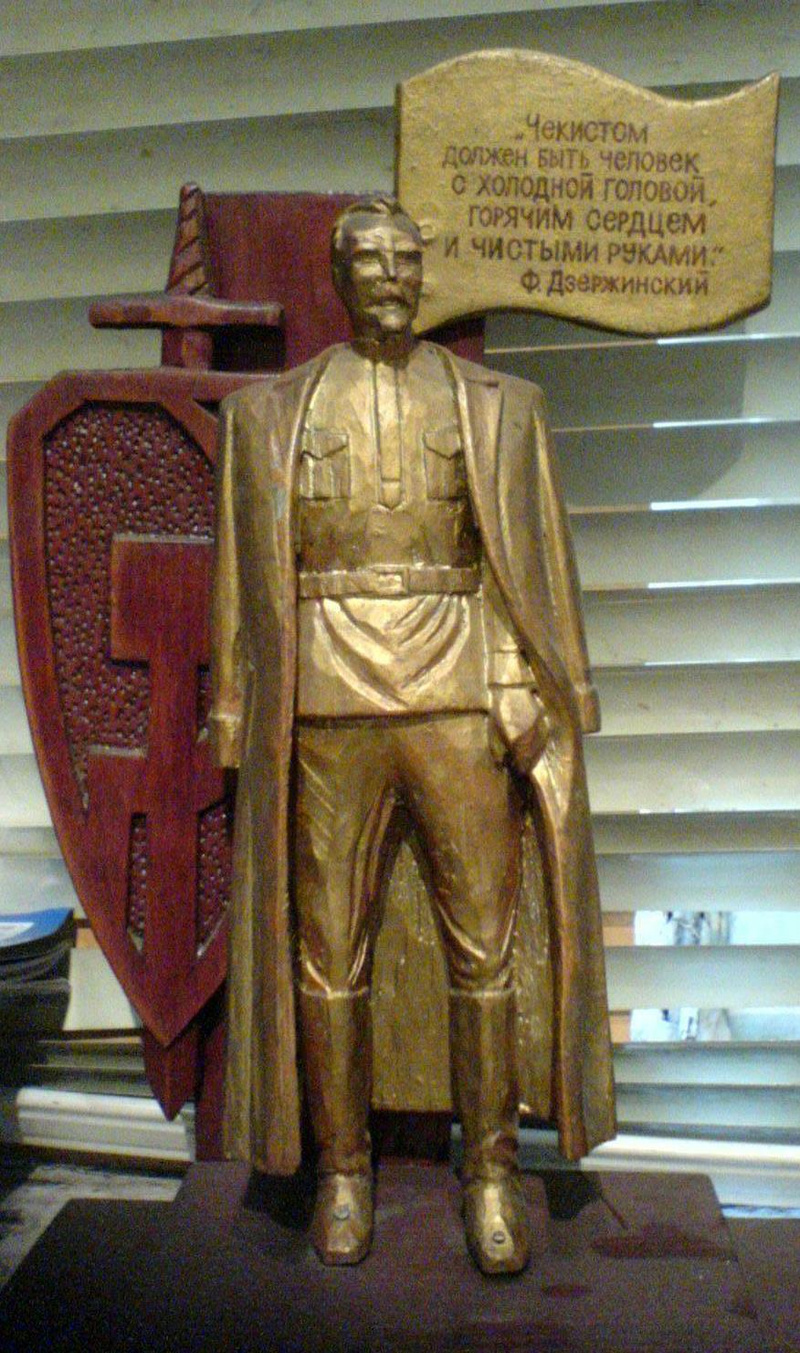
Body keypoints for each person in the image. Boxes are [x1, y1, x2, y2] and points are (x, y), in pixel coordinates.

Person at [209, 195, 615, 1275]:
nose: (390, 276)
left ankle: (491, 1174)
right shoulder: (268, 415)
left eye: (405, 258)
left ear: (424, 273)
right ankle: (344, 1172)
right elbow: (241, 574)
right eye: (369, 259)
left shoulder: (500, 407)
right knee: (326, 951)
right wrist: (234, 710)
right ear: (338, 275)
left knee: (483, 945)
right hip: (324, 698)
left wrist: (515, 676)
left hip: (457, 693)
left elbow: (524, 559)